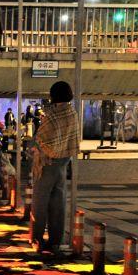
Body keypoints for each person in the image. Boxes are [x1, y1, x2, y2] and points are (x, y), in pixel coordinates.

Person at [31, 81, 80, 254]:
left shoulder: (52, 115)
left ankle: (37, 237)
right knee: (58, 203)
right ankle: (55, 240)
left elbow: (41, 137)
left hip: (46, 163)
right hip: (64, 162)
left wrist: (39, 148)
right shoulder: (73, 114)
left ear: (53, 95)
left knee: (40, 202)